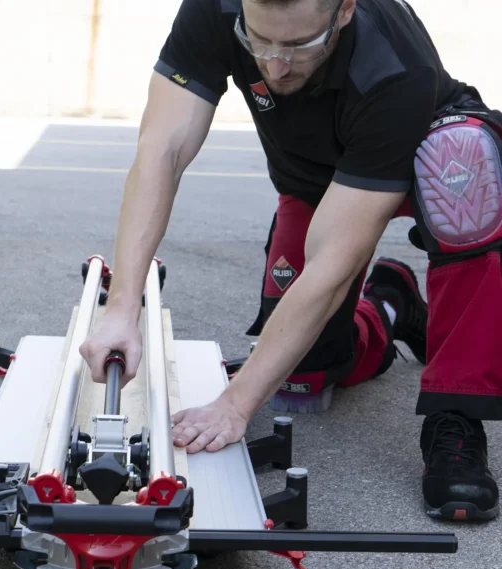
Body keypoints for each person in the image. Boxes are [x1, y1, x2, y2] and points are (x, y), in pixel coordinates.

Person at [79, 0, 502, 523]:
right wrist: (122, 307)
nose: (276, 65)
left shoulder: (394, 64)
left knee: (461, 166)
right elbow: (160, 149)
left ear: (344, 11)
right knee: (301, 373)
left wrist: (235, 405)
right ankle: (390, 306)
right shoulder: (214, 10)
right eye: (260, 42)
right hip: (315, 179)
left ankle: (454, 413)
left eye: (299, 46)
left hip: (424, 150)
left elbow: (332, 264)